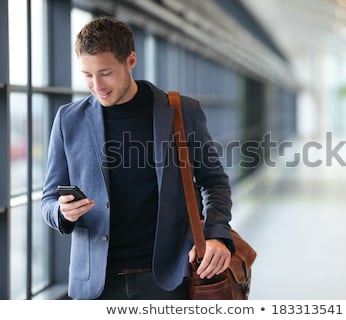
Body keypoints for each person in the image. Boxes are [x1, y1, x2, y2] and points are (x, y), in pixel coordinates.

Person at [41, 16, 234, 300]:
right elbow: (47, 201)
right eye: (87, 75)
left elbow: (214, 182)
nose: (97, 85)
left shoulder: (180, 112)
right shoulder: (68, 120)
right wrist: (61, 212)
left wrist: (217, 233)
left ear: (131, 60)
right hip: (96, 285)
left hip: (167, 279)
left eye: (106, 72)